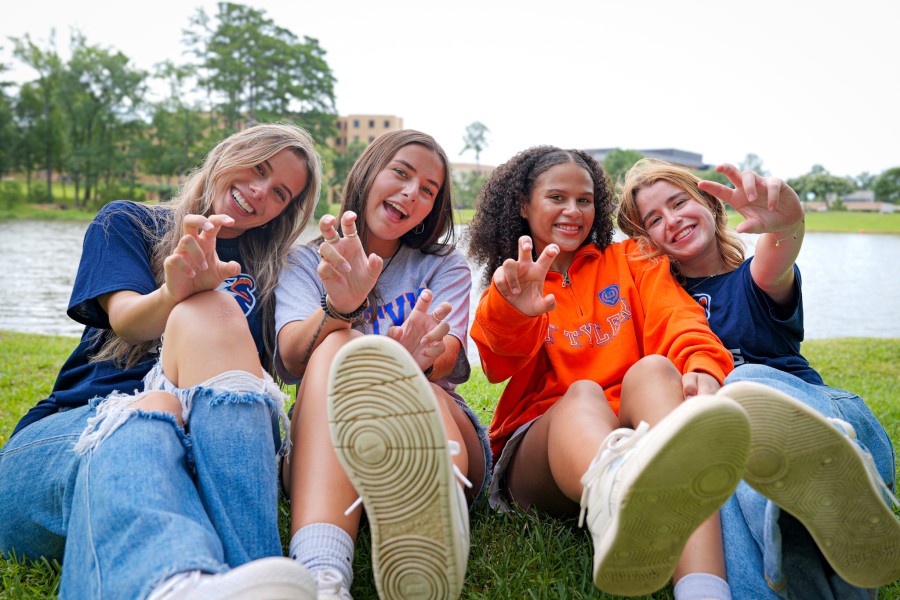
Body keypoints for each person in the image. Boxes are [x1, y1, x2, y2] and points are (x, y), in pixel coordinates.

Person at [0, 123, 323, 599]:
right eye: (258, 168)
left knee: (198, 357)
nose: (259, 192)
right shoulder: (127, 222)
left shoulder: (277, 272)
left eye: (279, 193)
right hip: (70, 441)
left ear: (284, 212)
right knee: (154, 410)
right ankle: (171, 585)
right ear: (228, 154)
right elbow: (127, 320)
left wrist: (339, 308)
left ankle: (254, 580)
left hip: (203, 461)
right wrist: (176, 292)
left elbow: (292, 363)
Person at [466, 145, 752, 599]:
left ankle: (703, 588)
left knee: (657, 370)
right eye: (557, 197)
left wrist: (701, 366)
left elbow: (677, 319)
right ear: (524, 205)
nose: (573, 211)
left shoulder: (633, 260)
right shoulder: (515, 281)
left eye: (585, 199)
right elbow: (497, 363)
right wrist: (515, 312)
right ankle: (627, 504)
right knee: (581, 393)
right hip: (545, 454)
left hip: (636, 432)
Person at [618, 158, 900, 598]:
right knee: (709, 486)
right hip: (741, 467)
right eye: (655, 219)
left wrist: (787, 225)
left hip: (824, 420)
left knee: (740, 384)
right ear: (646, 240)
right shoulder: (654, 308)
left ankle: (835, 478)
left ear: (710, 205)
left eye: (679, 203)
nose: (671, 221)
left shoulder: (750, 280)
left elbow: (775, 258)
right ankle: (827, 571)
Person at [274, 129, 489, 599]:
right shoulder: (309, 260)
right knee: (339, 344)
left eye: (428, 190)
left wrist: (417, 362)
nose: (412, 193)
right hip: (327, 446)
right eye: (402, 173)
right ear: (369, 171)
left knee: (418, 388)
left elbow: (448, 351)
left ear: (432, 209)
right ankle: (321, 578)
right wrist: (339, 310)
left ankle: (432, 509)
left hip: (433, 418)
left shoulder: (442, 265)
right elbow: (291, 356)